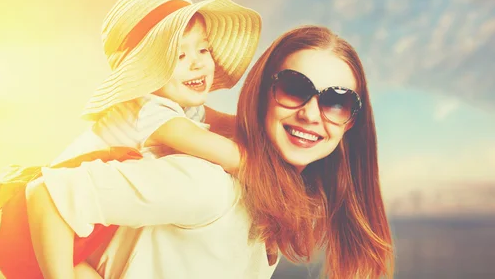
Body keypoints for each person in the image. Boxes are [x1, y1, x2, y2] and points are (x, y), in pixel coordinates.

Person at [26, 25, 395, 279]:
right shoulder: (208, 185)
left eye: (336, 101)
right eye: (295, 88)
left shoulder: (273, 198)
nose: (311, 114)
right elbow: (47, 193)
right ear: (262, 92)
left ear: (351, 123)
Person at [0, 0, 261, 279]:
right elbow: (234, 158)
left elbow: (234, 123)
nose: (197, 63)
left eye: (203, 49)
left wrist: (269, 124)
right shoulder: (150, 112)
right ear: (144, 70)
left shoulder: (179, 107)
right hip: (45, 227)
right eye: (178, 56)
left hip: (78, 224)